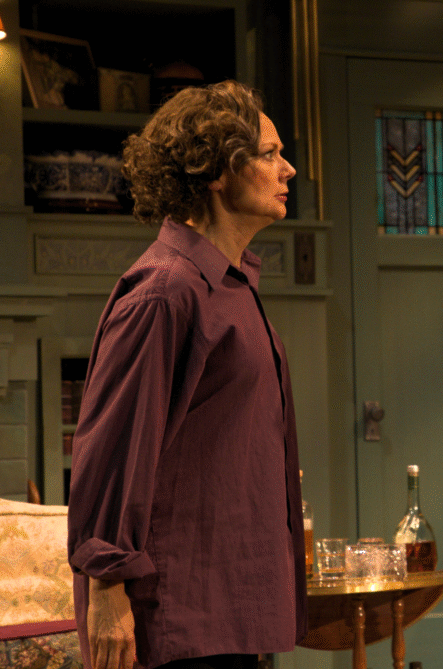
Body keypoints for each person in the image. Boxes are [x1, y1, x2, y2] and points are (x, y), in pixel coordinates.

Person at [67, 79, 305, 669]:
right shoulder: (165, 291)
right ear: (218, 171)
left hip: (228, 598)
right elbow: (114, 446)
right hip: (176, 613)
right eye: (269, 154)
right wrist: (107, 585)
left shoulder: (230, 284)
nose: (289, 169)